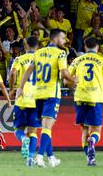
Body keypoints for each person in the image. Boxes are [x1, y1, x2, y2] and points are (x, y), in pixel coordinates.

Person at [16, 29, 77, 167]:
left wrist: (20, 87)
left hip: (38, 95)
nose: (65, 41)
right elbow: (63, 72)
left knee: (45, 128)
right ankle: (39, 156)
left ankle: (51, 157)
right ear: (55, 39)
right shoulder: (61, 53)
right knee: (47, 128)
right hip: (51, 95)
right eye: (62, 38)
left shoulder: (38, 53)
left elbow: (28, 71)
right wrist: (73, 79)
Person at [66, 37, 103, 166]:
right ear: (97, 47)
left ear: (85, 47)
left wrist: (73, 86)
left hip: (80, 97)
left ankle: (90, 158)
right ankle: (93, 141)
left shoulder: (77, 60)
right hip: (95, 97)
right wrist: (102, 90)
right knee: (96, 130)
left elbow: (66, 81)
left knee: (85, 129)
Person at [9, 36, 40, 167]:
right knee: (33, 131)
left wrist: (12, 89)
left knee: (18, 128)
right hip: (36, 99)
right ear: (37, 46)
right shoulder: (42, 60)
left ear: (25, 45)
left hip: (22, 98)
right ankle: (30, 159)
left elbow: (12, 73)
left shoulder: (19, 59)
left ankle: (23, 139)